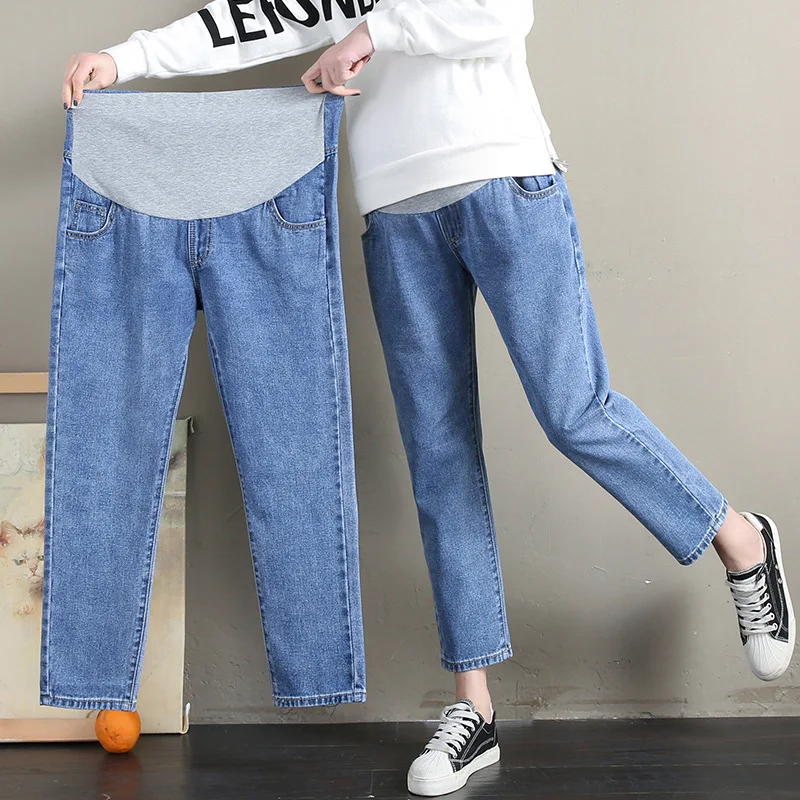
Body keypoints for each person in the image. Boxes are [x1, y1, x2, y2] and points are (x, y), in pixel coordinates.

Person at [63, 2, 794, 796]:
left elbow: (502, 14)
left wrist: (371, 34)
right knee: (440, 462)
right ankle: (473, 708)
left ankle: (738, 537)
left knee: (576, 409)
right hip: (396, 215)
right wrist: (126, 58)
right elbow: (256, 20)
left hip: (504, 177)